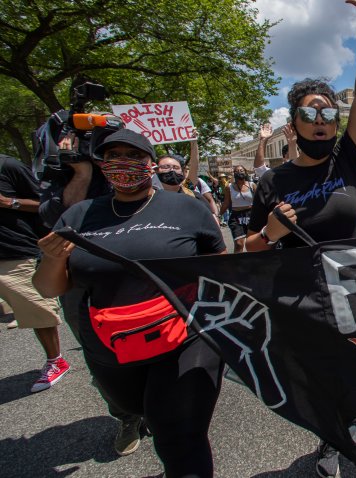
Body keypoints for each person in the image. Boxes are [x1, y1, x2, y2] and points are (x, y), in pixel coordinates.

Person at [32, 129, 226, 477]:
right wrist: (51, 259)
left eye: (134, 156)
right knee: (136, 407)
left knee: (178, 434)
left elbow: (219, 265)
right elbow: (49, 288)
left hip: (185, 337)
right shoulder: (79, 216)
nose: (124, 163)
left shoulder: (186, 207)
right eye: (114, 156)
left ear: (150, 164)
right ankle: (137, 420)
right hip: (110, 345)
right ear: (102, 165)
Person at [243, 1, 356, 476]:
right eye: (310, 112)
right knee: (320, 379)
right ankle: (328, 438)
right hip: (301, 300)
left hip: (355, 291)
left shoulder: (348, 161)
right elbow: (247, 250)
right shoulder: (271, 182)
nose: (322, 119)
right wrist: (270, 232)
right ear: (293, 124)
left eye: (329, 112)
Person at [0, 154, 70, 393]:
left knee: (37, 308)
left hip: (15, 251)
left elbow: (45, 205)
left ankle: (55, 360)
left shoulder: (7, 166)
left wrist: (9, 203)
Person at [220, 164, 255, 253]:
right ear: (234, 174)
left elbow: (259, 200)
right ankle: (237, 265)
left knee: (253, 242)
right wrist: (218, 215)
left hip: (251, 215)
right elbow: (226, 203)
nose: (239, 172)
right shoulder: (229, 187)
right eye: (236, 171)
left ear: (245, 172)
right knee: (239, 244)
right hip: (236, 217)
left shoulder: (252, 185)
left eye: (241, 170)